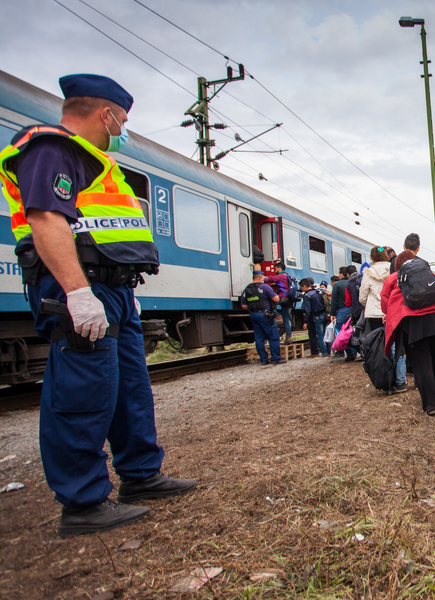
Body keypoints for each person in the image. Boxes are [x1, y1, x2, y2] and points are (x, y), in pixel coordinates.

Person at [0, 74, 194, 537]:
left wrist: (125, 291)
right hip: (81, 287)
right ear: (106, 114)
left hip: (115, 291)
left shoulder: (96, 161)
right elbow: (47, 218)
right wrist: (77, 292)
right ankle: (83, 501)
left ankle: (140, 474)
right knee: (83, 392)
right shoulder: (51, 148)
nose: (123, 130)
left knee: (129, 388)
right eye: (122, 120)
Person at [381, 250, 435, 415]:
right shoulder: (429, 274)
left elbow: (385, 301)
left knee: (421, 361)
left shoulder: (395, 277)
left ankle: (431, 404)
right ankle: (434, 395)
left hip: (415, 323)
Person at [359, 246, 406, 392]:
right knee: (396, 346)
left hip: (374, 315)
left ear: (372, 258)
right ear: (386, 256)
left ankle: (385, 381)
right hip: (393, 313)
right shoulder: (394, 270)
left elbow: (362, 297)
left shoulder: (368, 272)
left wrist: (372, 304)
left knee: (379, 348)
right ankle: (400, 381)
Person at [241, 271, 284, 365]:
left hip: (253, 315)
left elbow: (243, 306)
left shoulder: (247, 289)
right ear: (260, 277)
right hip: (265, 315)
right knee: (273, 336)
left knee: (259, 338)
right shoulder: (264, 287)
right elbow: (276, 299)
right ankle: (275, 358)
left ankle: (264, 360)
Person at [331, 266, 357, 361]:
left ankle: (349, 353)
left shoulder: (337, 284)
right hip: (353, 310)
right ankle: (354, 351)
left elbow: (334, 300)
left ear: (342, 274)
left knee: (341, 333)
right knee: (353, 331)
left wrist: (332, 313)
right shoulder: (353, 283)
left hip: (341, 310)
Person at [264, 262, 295, 341]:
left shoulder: (281, 276)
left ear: (279, 268)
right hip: (289, 299)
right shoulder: (287, 276)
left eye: (275, 269)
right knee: (286, 318)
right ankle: (288, 337)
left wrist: (262, 278)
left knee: (269, 301)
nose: (275, 270)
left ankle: (277, 315)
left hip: (282, 298)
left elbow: (271, 279)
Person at [300, 277, 327, 357]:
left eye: (301, 287)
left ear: (304, 286)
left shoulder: (307, 295)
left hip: (316, 316)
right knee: (325, 333)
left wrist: (305, 321)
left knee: (319, 335)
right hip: (324, 314)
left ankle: (322, 352)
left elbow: (308, 310)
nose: (301, 289)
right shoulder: (318, 292)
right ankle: (328, 351)